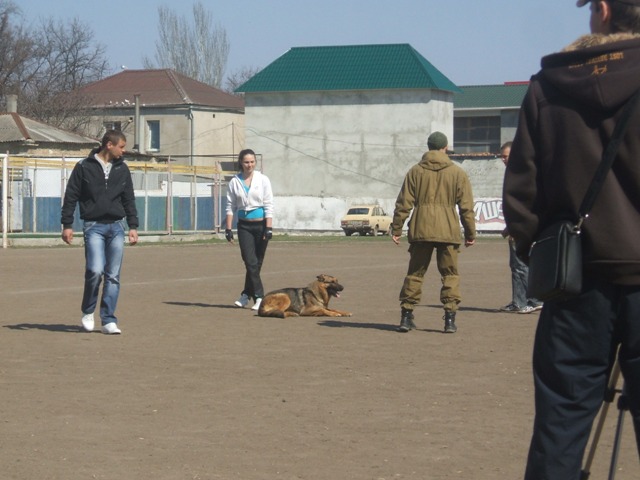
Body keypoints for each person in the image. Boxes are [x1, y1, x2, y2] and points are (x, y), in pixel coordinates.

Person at [503, 1, 640, 478]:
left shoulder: (549, 85)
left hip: (576, 282)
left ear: (602, 10)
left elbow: (521, 195)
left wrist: (544, 254)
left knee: (560, 427)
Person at [391, 131, 476, 334]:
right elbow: (466, 207)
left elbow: (404, 203)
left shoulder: (415, 171)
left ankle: (406, 315)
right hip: (448, 231)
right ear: (445, 148)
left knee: (415, 274)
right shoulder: (457, 173)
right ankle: (449, 319)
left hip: (420, 229)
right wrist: (470, 233)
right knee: (450, 275)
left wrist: (397, 228)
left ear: (428, 147)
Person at [61, 130, 139, 335]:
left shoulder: (122, 169)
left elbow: (129, 198)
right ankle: (88, 311)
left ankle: (108, 319)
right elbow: (71, 196)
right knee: (95, 271)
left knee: (113, 276)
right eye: (121, 146)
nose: (124, 151)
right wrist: (67, 224)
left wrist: (133, 226)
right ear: (109, 145)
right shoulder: (83, 166)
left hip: (117, 227)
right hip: (93, 226)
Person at [225, 149, 273, 311]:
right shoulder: (234, 182)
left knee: (256, 263)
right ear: (241, 162)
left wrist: (268, 227)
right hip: (244, 226)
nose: (249, 165)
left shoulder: (263, 179)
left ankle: (246, 295)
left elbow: (269, 204)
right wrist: (228, 229)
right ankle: (259, 297)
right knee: (249, 261)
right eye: (246, 162)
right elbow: (230, 206)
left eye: (252, 161)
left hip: (261, 226)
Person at [498, 141, 543, 314]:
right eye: (502, 157)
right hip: (516, 225)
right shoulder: (513, 173)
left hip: (524, 227)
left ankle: (534, 300)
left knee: (523, 264)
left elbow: (524, 203)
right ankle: (518, 301)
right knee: (516, 266)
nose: (503, 159)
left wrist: (516, 225)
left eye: (506, 156)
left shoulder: (523, 173)